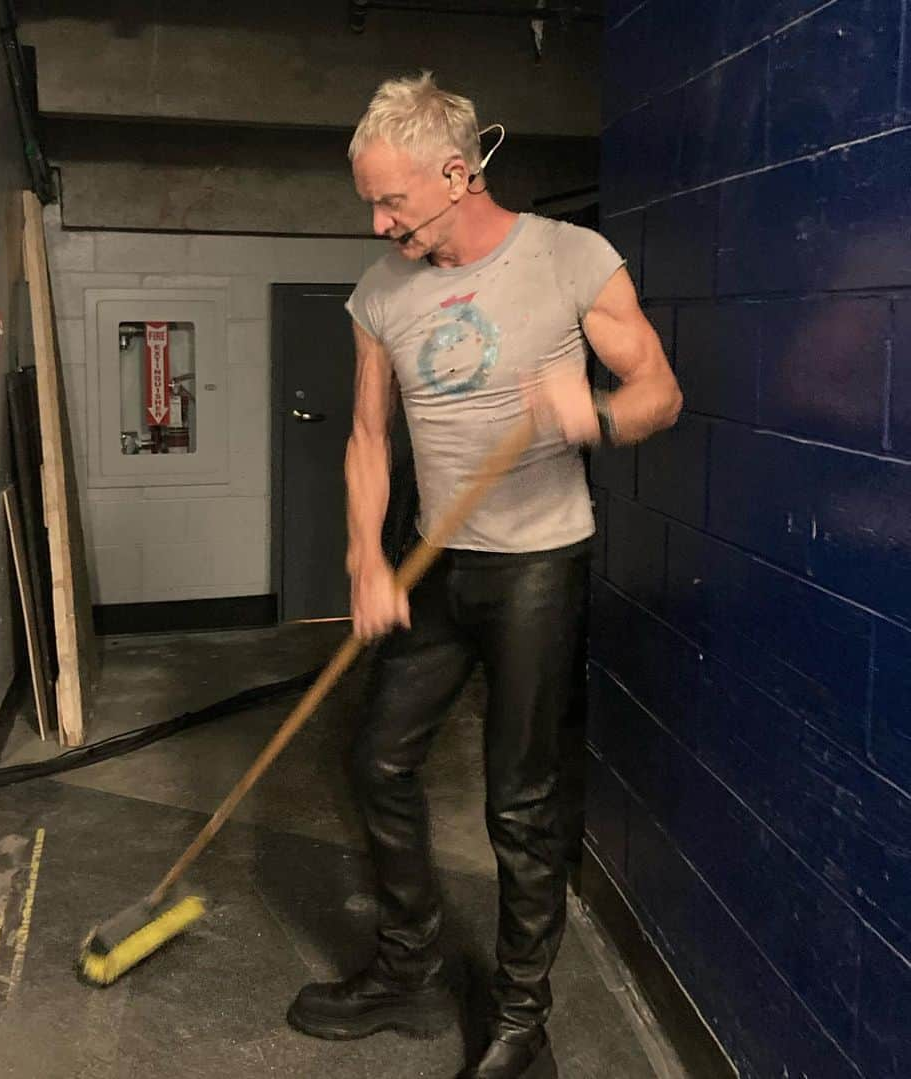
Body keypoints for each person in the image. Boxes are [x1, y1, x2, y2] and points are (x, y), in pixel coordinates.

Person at [285, 74, 682, 1079]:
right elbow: (369, 437)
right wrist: (364, 557)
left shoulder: (568, 257)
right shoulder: (381, 290)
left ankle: (520, 1018)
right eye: (371, 202)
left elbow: (659, 395)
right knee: (376, 758)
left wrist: (589, 415)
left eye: (392, 200)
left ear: (457, 173)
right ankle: (409, 969)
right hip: (435, 563)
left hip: (538, 565)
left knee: (521, 798)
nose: (379, 222)